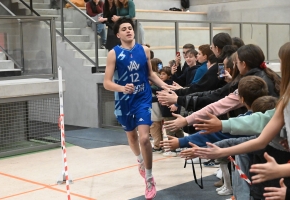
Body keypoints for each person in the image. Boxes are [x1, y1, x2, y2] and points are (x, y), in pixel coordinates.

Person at [193, 42, 290, 200]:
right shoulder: (284, 99)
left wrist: (280, 171)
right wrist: (221, 150)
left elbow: (257, 124)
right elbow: (261, 131)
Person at [103, 17, 169, 199]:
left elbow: (151, 75)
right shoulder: (113, 54)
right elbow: (107, 83)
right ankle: (140, 161)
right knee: (132, 137)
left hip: (143, 97)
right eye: (123, 29)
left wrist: (166, 86)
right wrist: (122, 88)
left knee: (145, 139)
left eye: (130, 28)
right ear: (118, 34)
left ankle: (149, 178)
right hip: (124, 100)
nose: (128, 31)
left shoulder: (144, 50)